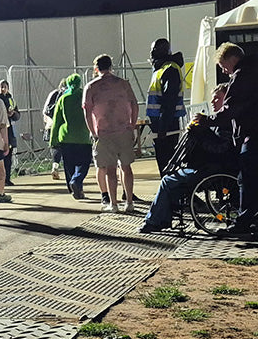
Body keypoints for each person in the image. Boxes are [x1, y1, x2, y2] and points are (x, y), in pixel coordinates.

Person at [212, 42, 258, 236]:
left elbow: (231, 108)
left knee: (247, 177)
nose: (224, 71)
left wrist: (207, 121)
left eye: (222, 65)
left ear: (232, 59)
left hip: (257, 133)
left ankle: (243, 223)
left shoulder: (242, 75)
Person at [139, 84, 235, 233]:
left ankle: (155, 220)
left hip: (211, 169)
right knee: (171, 180)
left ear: (227, 100)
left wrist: (200, 133)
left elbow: (221, 149)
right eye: (213, 98)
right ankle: (161, 217)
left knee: (168, 181)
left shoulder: (225, 124)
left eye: (217, 98)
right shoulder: (219, 121)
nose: (213, 102)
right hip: (209, 167)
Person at [83, 53, 139, 213]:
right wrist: (132, 124)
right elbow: (134, 104)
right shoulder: (123, 84)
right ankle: (129, 201)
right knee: (126, 167)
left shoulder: (91, 87)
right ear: (111, 67)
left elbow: (87, 112)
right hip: (123, 129)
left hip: (104, 132)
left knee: (110, 169)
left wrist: (93, 132)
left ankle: (113, 204)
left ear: (96, 68)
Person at [145, 37, 187, 176]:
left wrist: (163, 126)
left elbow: (169, 102)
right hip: (160, 124)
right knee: (163, 162)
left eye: (153, 50)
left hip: (166, 126)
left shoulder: (169, 69)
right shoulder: (160, 69)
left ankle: (172, 194)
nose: (151, 53)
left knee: (167, 162)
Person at [48, 73, 91, 199]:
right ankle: (77, 181)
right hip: (83, 136)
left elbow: (57, 120)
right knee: (84, 163)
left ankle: (73, 189)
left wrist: (53, 139)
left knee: (69, 165)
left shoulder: (63, 98)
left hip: (66, 137)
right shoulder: (84, 96)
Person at [42, 77, 66, 180]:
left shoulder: (53, 94)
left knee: (55, 147)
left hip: (51, 125)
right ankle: (69, 170)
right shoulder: (69, 95)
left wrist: (47, 123)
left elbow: (45, 111)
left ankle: (55, 166)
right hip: (65, 126)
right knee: (66, 148)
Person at [0, 80, 20, 186]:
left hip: (9, 130)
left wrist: (13, 114)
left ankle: (7, 178)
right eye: (1, 87)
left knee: (8, 155)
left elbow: (17, 114)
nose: (3, 89)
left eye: (5, 87)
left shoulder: (11, 99)